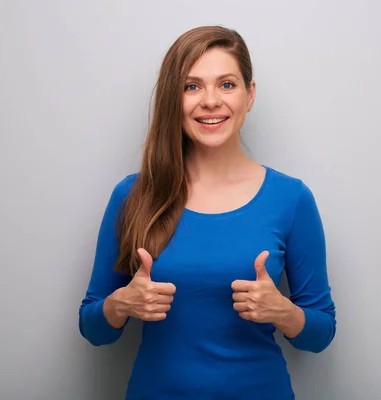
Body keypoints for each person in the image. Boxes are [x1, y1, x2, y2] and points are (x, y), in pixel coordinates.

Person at [78, 25, 336, 400]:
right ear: (173, 99)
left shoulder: (291, 198)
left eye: (227, 85)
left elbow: (321, 333)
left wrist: (283, 311)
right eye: (192, 86)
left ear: (250, 95)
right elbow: (93, 329)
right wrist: (121, 303)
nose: (211, 101)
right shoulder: (132, 194)